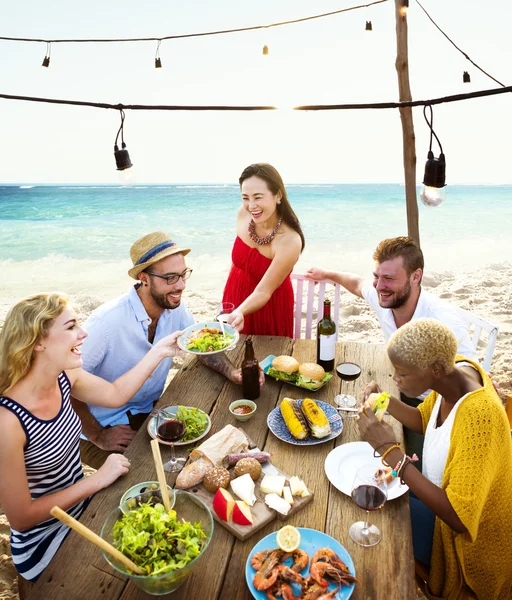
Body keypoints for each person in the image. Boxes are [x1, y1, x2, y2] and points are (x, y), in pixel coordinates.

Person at [0, 292, 181, 582]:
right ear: (38, 342)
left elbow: (116, 394)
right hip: (45, 538)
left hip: (84, 505)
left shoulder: (65, 377)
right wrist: (96, 480)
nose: (83, 333)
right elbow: (21, 517)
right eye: (71, 327)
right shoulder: (8, 421)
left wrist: (158, 351)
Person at [74, 231, 263, 469]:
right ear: (144, 278)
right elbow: (64, 384)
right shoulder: (106, 323)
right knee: (146, 480)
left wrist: (233, 372)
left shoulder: (175, 307)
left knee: (212, 451)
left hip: (152, 413)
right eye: (171, 278)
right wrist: (98, 436)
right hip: (100, 428)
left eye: (183, 275)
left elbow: (198, 346)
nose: (181, 285)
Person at [357, 318, 512, 600]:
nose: (395, 379)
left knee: (373, 516)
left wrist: (391, 452)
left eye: (401, 374)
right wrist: (386, 401)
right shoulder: (457, 373)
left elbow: (459, 518)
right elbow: (425, 419)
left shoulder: (480, 417)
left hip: (464, 544)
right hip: (442, 507)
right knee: (369, 492)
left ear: (437, 369)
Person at [305, 236, 477, 470]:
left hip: (436, 413)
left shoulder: (442, 322)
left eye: (388, 278)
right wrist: (327, 273)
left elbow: (471, 378)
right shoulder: (385, 297)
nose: (378, 285)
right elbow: (357, 283)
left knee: (399, 473)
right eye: (377, 276)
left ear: (416, 277)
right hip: (401, 394)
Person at [223, 163, 305, 336]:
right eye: (245, 197)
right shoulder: (243, 215)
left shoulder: (290, 241)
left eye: (258, 197)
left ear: (278, 195)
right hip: (234, 292)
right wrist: (227, 300)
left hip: (268, 306)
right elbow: (236, 262)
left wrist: (240, 311)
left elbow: (263, 291)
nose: (251, 205)